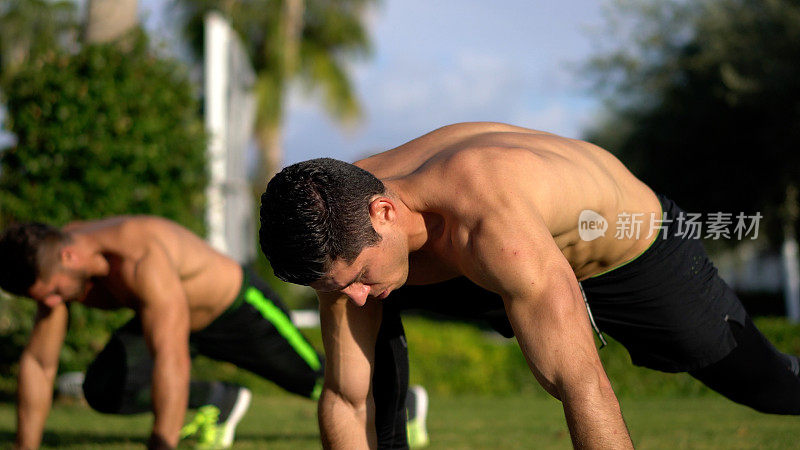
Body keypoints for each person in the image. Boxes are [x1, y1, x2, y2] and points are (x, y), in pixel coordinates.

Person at [259, 122, 800, 449]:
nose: (349, 295)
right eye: (335, 286)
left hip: (635, 254)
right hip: (466, 260)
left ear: (384, 211)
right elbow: (344, 397)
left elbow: (580, 382)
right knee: (369, 336)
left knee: (767, 387)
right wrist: (353, 281)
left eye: (354, 278)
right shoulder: (341, 224)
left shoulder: (487, 216)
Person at [0, 217, 427, 450]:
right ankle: (219, 400)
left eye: (54, 293)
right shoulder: (52, 268)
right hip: (176, 320)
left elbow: (170, 357)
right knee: (104, 388)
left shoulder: (138, 256)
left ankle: (405, 401)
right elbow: (39, 362)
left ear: (70, 255)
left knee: (323, 384)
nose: (52, 304)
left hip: (237, 308)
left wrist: (161, 443)